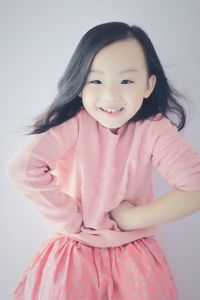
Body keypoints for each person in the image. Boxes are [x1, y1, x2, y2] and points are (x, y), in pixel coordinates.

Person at [6, 21, 200, 300]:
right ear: (79, 85)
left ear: (148, 86)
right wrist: (70, 220)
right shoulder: (71, 124)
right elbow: (23, 169)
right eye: (95, 80)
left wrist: (132, 218)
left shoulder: (152, 128)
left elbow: (195, 188)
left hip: (135, 259)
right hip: (74, 256)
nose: (110, 95)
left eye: (126, 81)